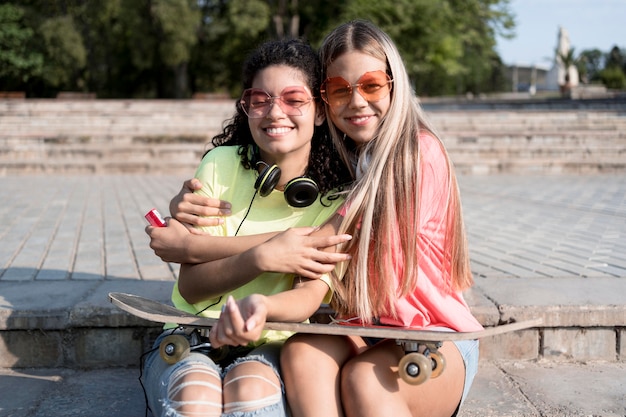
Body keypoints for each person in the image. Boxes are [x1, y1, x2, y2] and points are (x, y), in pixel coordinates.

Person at [277, 20, 483, 417]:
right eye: (339, 90)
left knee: (365, 380)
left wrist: (205, 250)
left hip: (433, 336)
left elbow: (324, 238)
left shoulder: (418, 153)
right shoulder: (343, 159)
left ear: (394, 84)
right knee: (303, 352)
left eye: (371, 85)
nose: (355, 102)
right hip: (367, 330)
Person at [141, 37, 352, 417]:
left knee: (251, 394)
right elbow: (191, 286)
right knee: (196, 398)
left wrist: (259, 310)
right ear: (246, 107)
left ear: (320, 112)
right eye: (260, 99)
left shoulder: (340, 197)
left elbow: (308, 297)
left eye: (294, 99)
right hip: (191, 334)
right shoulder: (220, 164)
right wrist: (265, 256)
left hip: (272, 343)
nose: (275, 112)